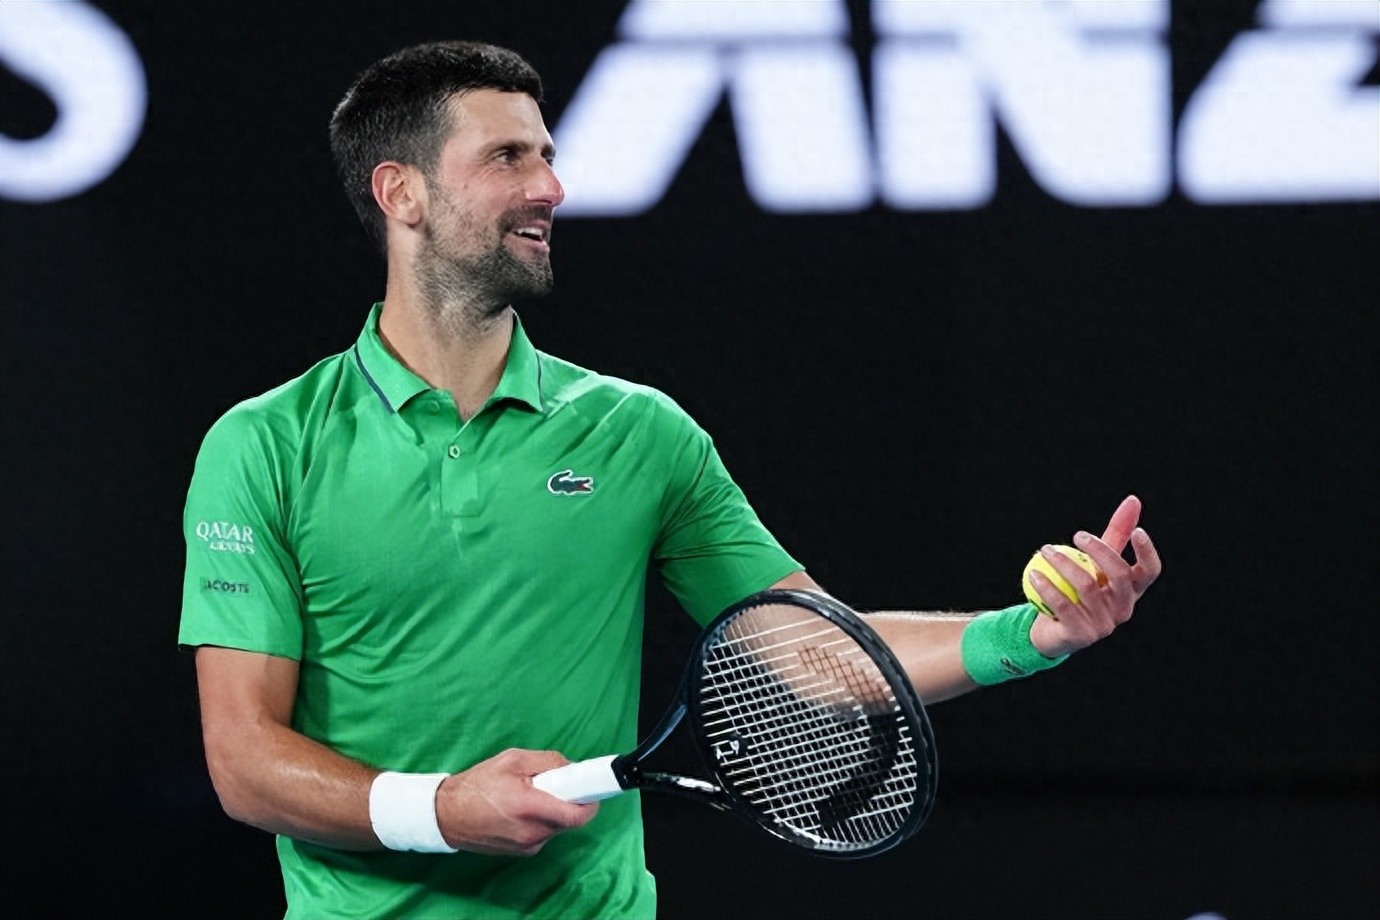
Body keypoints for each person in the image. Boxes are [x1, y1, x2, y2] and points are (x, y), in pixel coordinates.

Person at [179, 40, 1161, 920]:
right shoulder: (263, 447)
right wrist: (438, 808)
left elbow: (816, 650)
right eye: (507, 157)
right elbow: (244, 760)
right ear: (403, 194)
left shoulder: (638, 434)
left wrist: (1032, 634)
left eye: (547, 154)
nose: (550, 187)